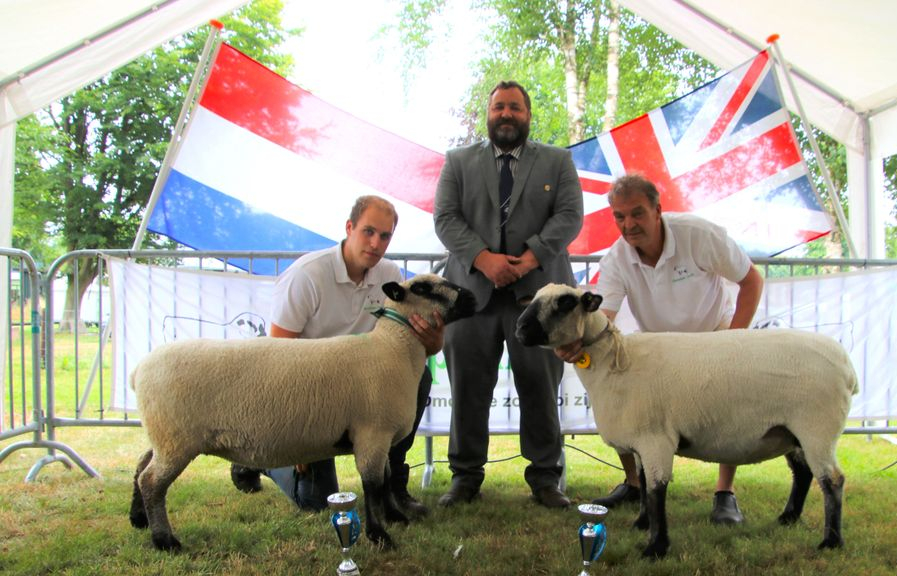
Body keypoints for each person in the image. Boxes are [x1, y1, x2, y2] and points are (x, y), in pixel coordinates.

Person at [556, 174, 764, 525]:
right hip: (659, 346)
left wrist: (735, 341)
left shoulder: (699, 234)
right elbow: (603, 316)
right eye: (619, 216)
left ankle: (725, 493)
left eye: (637, 213)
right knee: (619, 394)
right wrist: (575, 339)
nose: (628, 224)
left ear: (658, 210)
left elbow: (751, 280)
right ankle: (636, 483)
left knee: (730, 409)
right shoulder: (616, 259)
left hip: (713, 334)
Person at [230, 195, 444, 516]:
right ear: (349, 227)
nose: (376, 243)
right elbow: (277, 358)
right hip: (307, 391)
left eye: (385, 236)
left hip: (355, 387)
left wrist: (435, 339)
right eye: (368, 232)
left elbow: (413, 345)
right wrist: (295, 437)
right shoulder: (307, 275)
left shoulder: (389, 275)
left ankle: (394, 485)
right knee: (316, 502)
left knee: (419, 375)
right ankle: (259, 460)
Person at [433, 80, 584, 509]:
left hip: (538, 298)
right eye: (499, 107)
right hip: (470, 296)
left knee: (540, 385)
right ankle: (464, 477)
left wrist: (531, 257)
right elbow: (445, 218)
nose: (506, 114)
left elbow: (571, 215)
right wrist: (484, 259)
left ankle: (544, 478)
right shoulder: (458, 161)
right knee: (467, 388)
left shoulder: (557, 160)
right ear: (488, 114)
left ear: (528, 114)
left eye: (514, 107)